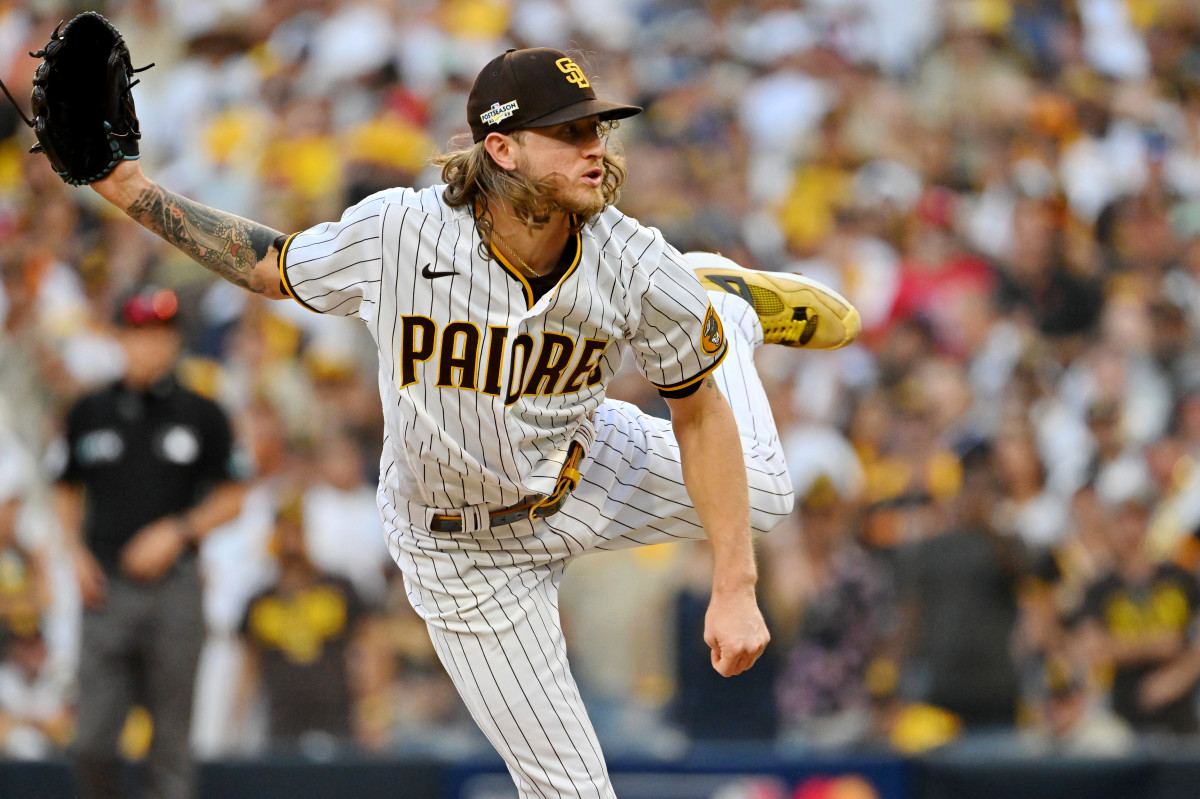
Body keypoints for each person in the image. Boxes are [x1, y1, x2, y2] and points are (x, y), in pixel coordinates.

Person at [87, 47, 859, 796]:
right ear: (502, 148)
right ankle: (710, 312)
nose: (595, 147)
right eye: (569, 133)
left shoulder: (632, 261)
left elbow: (697, 419)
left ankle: (717, 307)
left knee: (764, 494)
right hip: (463, 556)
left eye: (597, 129)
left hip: (581, 466)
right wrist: (130, 190)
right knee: (571, 793)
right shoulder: (399, 234)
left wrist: (735, 584)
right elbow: (269, 262)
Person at [53, 286, 246, 799]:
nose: (149, 346)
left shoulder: (202, 413)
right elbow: (64, 489)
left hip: (175, 589)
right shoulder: (88, 411)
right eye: (138, 333)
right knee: (92, 740)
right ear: (117, 338)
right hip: (106, 588)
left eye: (160, 334)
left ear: (175, 341)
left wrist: (178, 530)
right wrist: (73, 552)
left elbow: (234, 496)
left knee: (171, 746)